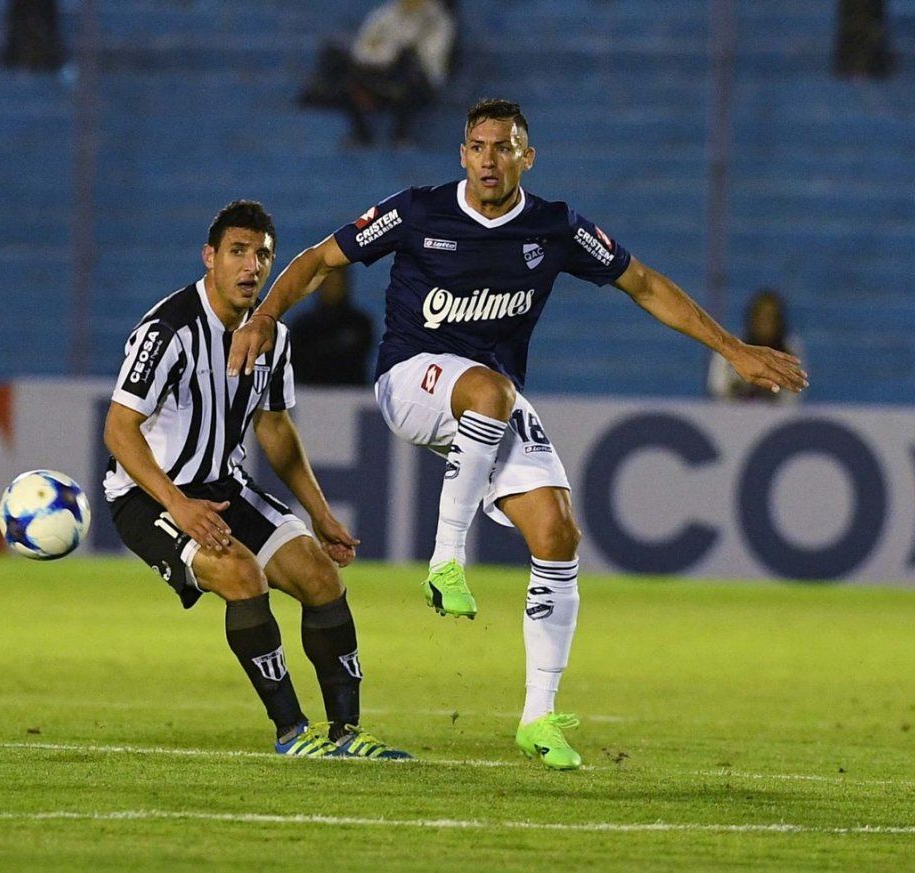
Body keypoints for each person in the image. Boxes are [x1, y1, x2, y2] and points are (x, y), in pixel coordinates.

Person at [227, 99, 807, 770]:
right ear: (462, 154)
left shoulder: (554, 227)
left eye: (503, 148)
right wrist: (267, 313)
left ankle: (538, 716)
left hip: (488, 401)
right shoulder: (417, 210)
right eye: (477, 146)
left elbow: (642, 284)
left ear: (527, 157)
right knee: (491, 389)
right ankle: (447, 558)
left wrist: (732, 348)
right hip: (410, 380)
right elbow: (319, 259)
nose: (488, 160)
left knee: (557, 531)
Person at [102, 200, 409, 760]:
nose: (251, 267)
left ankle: (347, 735)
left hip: (226, 489)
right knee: (242, 575)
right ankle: (292, 731)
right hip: (150, 497)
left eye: (263, 255)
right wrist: (179, 505)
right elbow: (120, 431)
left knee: (319, 576)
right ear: (210, 257)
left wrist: (319, 513)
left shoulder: (273, 336)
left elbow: (273, 427)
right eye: (238, 253)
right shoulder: (167, 331)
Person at [298, 0, 456, 147]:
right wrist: (382, 57)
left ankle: (400, 134)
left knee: (408, 63)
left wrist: (390, 54)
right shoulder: (387, 14)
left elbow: (430, 61)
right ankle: (361, 132)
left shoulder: (436, 20)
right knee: (336, 58)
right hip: (380, 75)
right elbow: (363, 48)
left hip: (413, 83)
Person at [708, 289, 805, 403]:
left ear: (779, 321)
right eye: (761, 317)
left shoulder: (790, 350)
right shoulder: (731, 347)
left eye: (771, 317)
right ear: (752, 319)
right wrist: (741, 383)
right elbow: (717, 387)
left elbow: (794, 395)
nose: (766, 323)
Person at [288, 268, 375, 385]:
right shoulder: (303, 326)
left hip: (351, 395)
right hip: (309, 396)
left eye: (337, 282)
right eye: (328, 283)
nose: (333, 287)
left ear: (346, 284)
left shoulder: (360, 324)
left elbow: (357, 360)